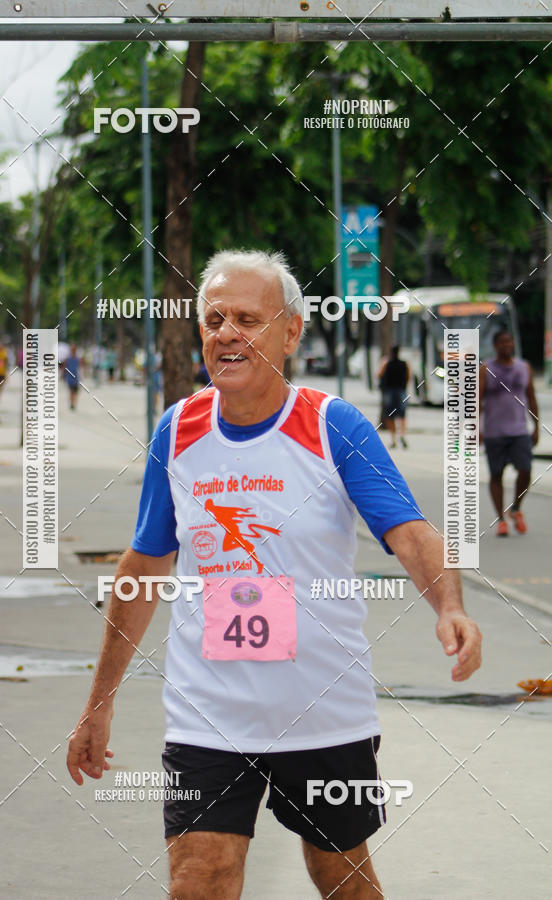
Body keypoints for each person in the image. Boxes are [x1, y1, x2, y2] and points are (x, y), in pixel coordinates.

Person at [67, 250, 482, 899]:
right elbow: (144, 564)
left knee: (340, 875)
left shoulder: (330, 426)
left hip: (322, 712)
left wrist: (449, 608)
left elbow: (409, 530)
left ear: (290, 332)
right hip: (208, 714)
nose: (227, 332)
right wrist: (98, 704)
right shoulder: (177, 431)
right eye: (214, 318)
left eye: (247, 319)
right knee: (200, 878)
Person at [479, 329, 539, 537]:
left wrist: (536, 426)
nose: (506, 345)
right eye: (502, 342)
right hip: (494, 432)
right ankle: (501, 520)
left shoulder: (524, 367)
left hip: (519, 431)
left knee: (526, 470)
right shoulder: (486, 369)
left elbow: (531, 397)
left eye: (509, 342)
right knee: (496, 475)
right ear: (496, 346)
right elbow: (477, 400)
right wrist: (475, 428)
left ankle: (515, 508)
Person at [377, 346, 409, 449]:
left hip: (390, 391)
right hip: (401, 391)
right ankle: (402, 435)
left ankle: (393, 439)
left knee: (390, 415)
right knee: (402, 415)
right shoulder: (404, 364)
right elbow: (409, 376)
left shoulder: (387, 363)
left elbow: (379, 375)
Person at [64, 344, 81, 410]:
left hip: (76, 377)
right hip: (69, 377)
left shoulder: (78, 359)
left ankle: (73, 403)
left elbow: (80, 367)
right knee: (71, 391)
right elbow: (64, 368)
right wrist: (64, 376)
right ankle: (72, 403)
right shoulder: (67, 359)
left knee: (76, 392)